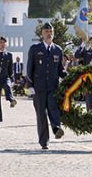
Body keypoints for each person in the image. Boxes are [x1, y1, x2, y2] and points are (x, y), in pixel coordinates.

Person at [26, 22, 67, 150]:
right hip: (38, 88)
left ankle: (56, 128)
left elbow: (60, 70)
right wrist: (30, 85)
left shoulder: (58, 50)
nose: (49, 34)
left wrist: (70, 76)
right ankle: (44, 142)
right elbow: (29, 68)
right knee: (41, 114)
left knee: (53, 109)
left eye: (51, 32)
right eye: (46, 32)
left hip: (53, 87)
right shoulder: (35, 49)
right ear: (42, 34)